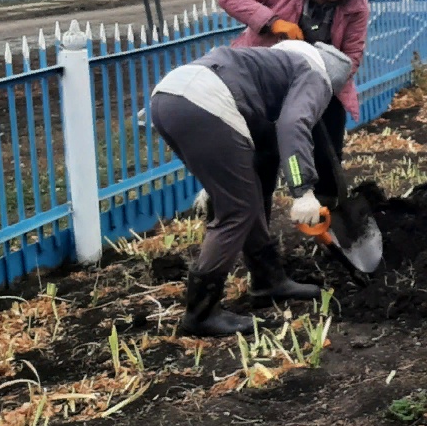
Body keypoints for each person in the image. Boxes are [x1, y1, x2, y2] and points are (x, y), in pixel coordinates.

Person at [150, 40, 354, 337]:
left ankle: (268, 281)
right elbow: (292, 125)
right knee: (238, 210)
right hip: (203, 101)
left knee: (247, 198)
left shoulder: (269, 69)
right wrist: (302, 190)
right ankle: (201, 313)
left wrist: (219, 183)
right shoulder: (315, 74)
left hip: (169, 99)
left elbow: (264, 156)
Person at [218, 0, 369, 204]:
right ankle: (255, 216)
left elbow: (352, 56)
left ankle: (326, 211)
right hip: (267, 80)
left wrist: (324, 83)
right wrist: (273, 23)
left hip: (322, 82)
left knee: (327, 154)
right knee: (263, 155)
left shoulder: (356, 4)